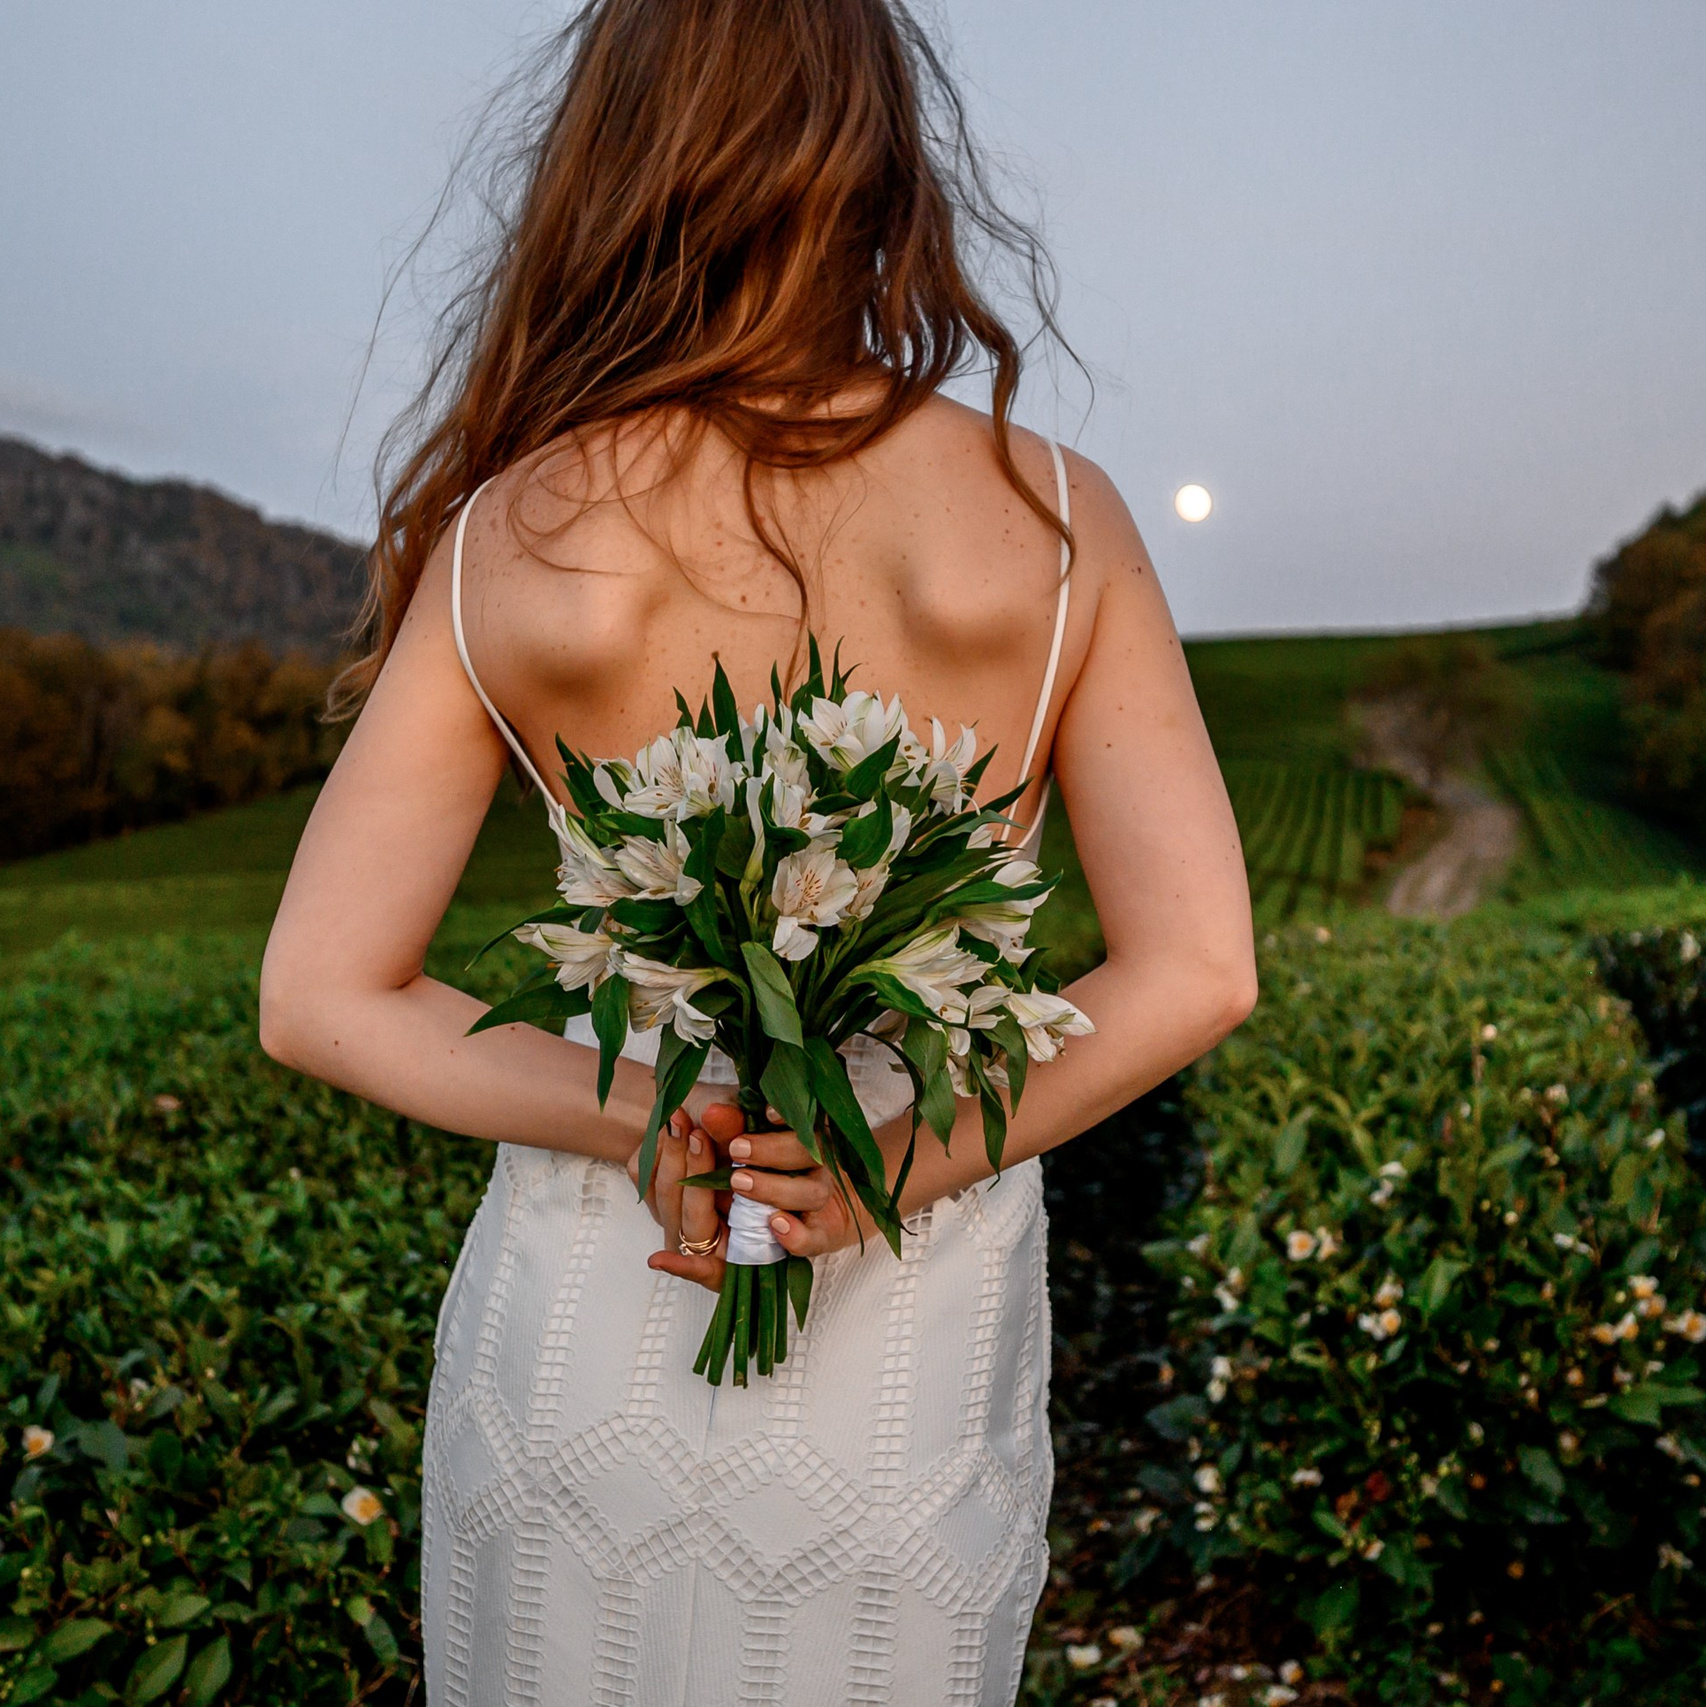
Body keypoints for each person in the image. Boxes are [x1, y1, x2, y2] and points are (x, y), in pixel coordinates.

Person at [259, 0, 1256, 1699]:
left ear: (612, 167)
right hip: (907, 1341)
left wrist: (655, 1114)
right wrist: (900, 1157)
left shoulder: (518, 527)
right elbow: (1197, 968)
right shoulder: (1055, 517)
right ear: (882, 159)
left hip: (591, 1306)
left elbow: (319, 996)